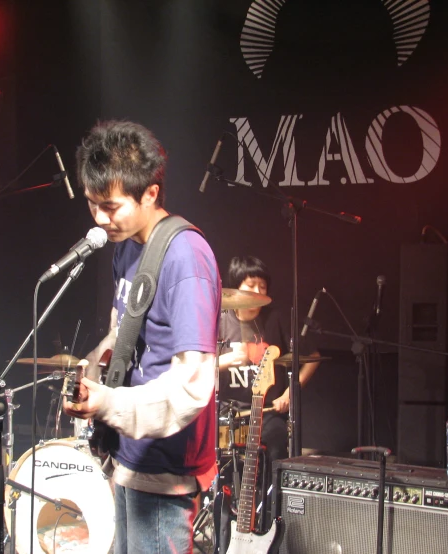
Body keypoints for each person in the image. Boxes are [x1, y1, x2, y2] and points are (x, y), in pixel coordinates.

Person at [63, 120, 222, 554]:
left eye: (110, 206)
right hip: (128, 455)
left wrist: (108, 403)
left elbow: (192, 387)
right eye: (92, 204)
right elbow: (123, 333)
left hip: (166, 466)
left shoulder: (186, 257)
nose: (99, 218)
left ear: (150, 193)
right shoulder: (127, 247)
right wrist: (91, 371)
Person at [217, 255, 320, 461]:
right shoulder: (220, 321)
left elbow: (313, 358)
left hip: (267, 412)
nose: (257, 292)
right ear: (235, 288)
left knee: (276, 440)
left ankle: (271, 493)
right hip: (229, 412)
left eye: (262, 287)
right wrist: (227, 360)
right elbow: (197, 366)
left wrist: (288, 395)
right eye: (251, 285)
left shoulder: (276, 319)